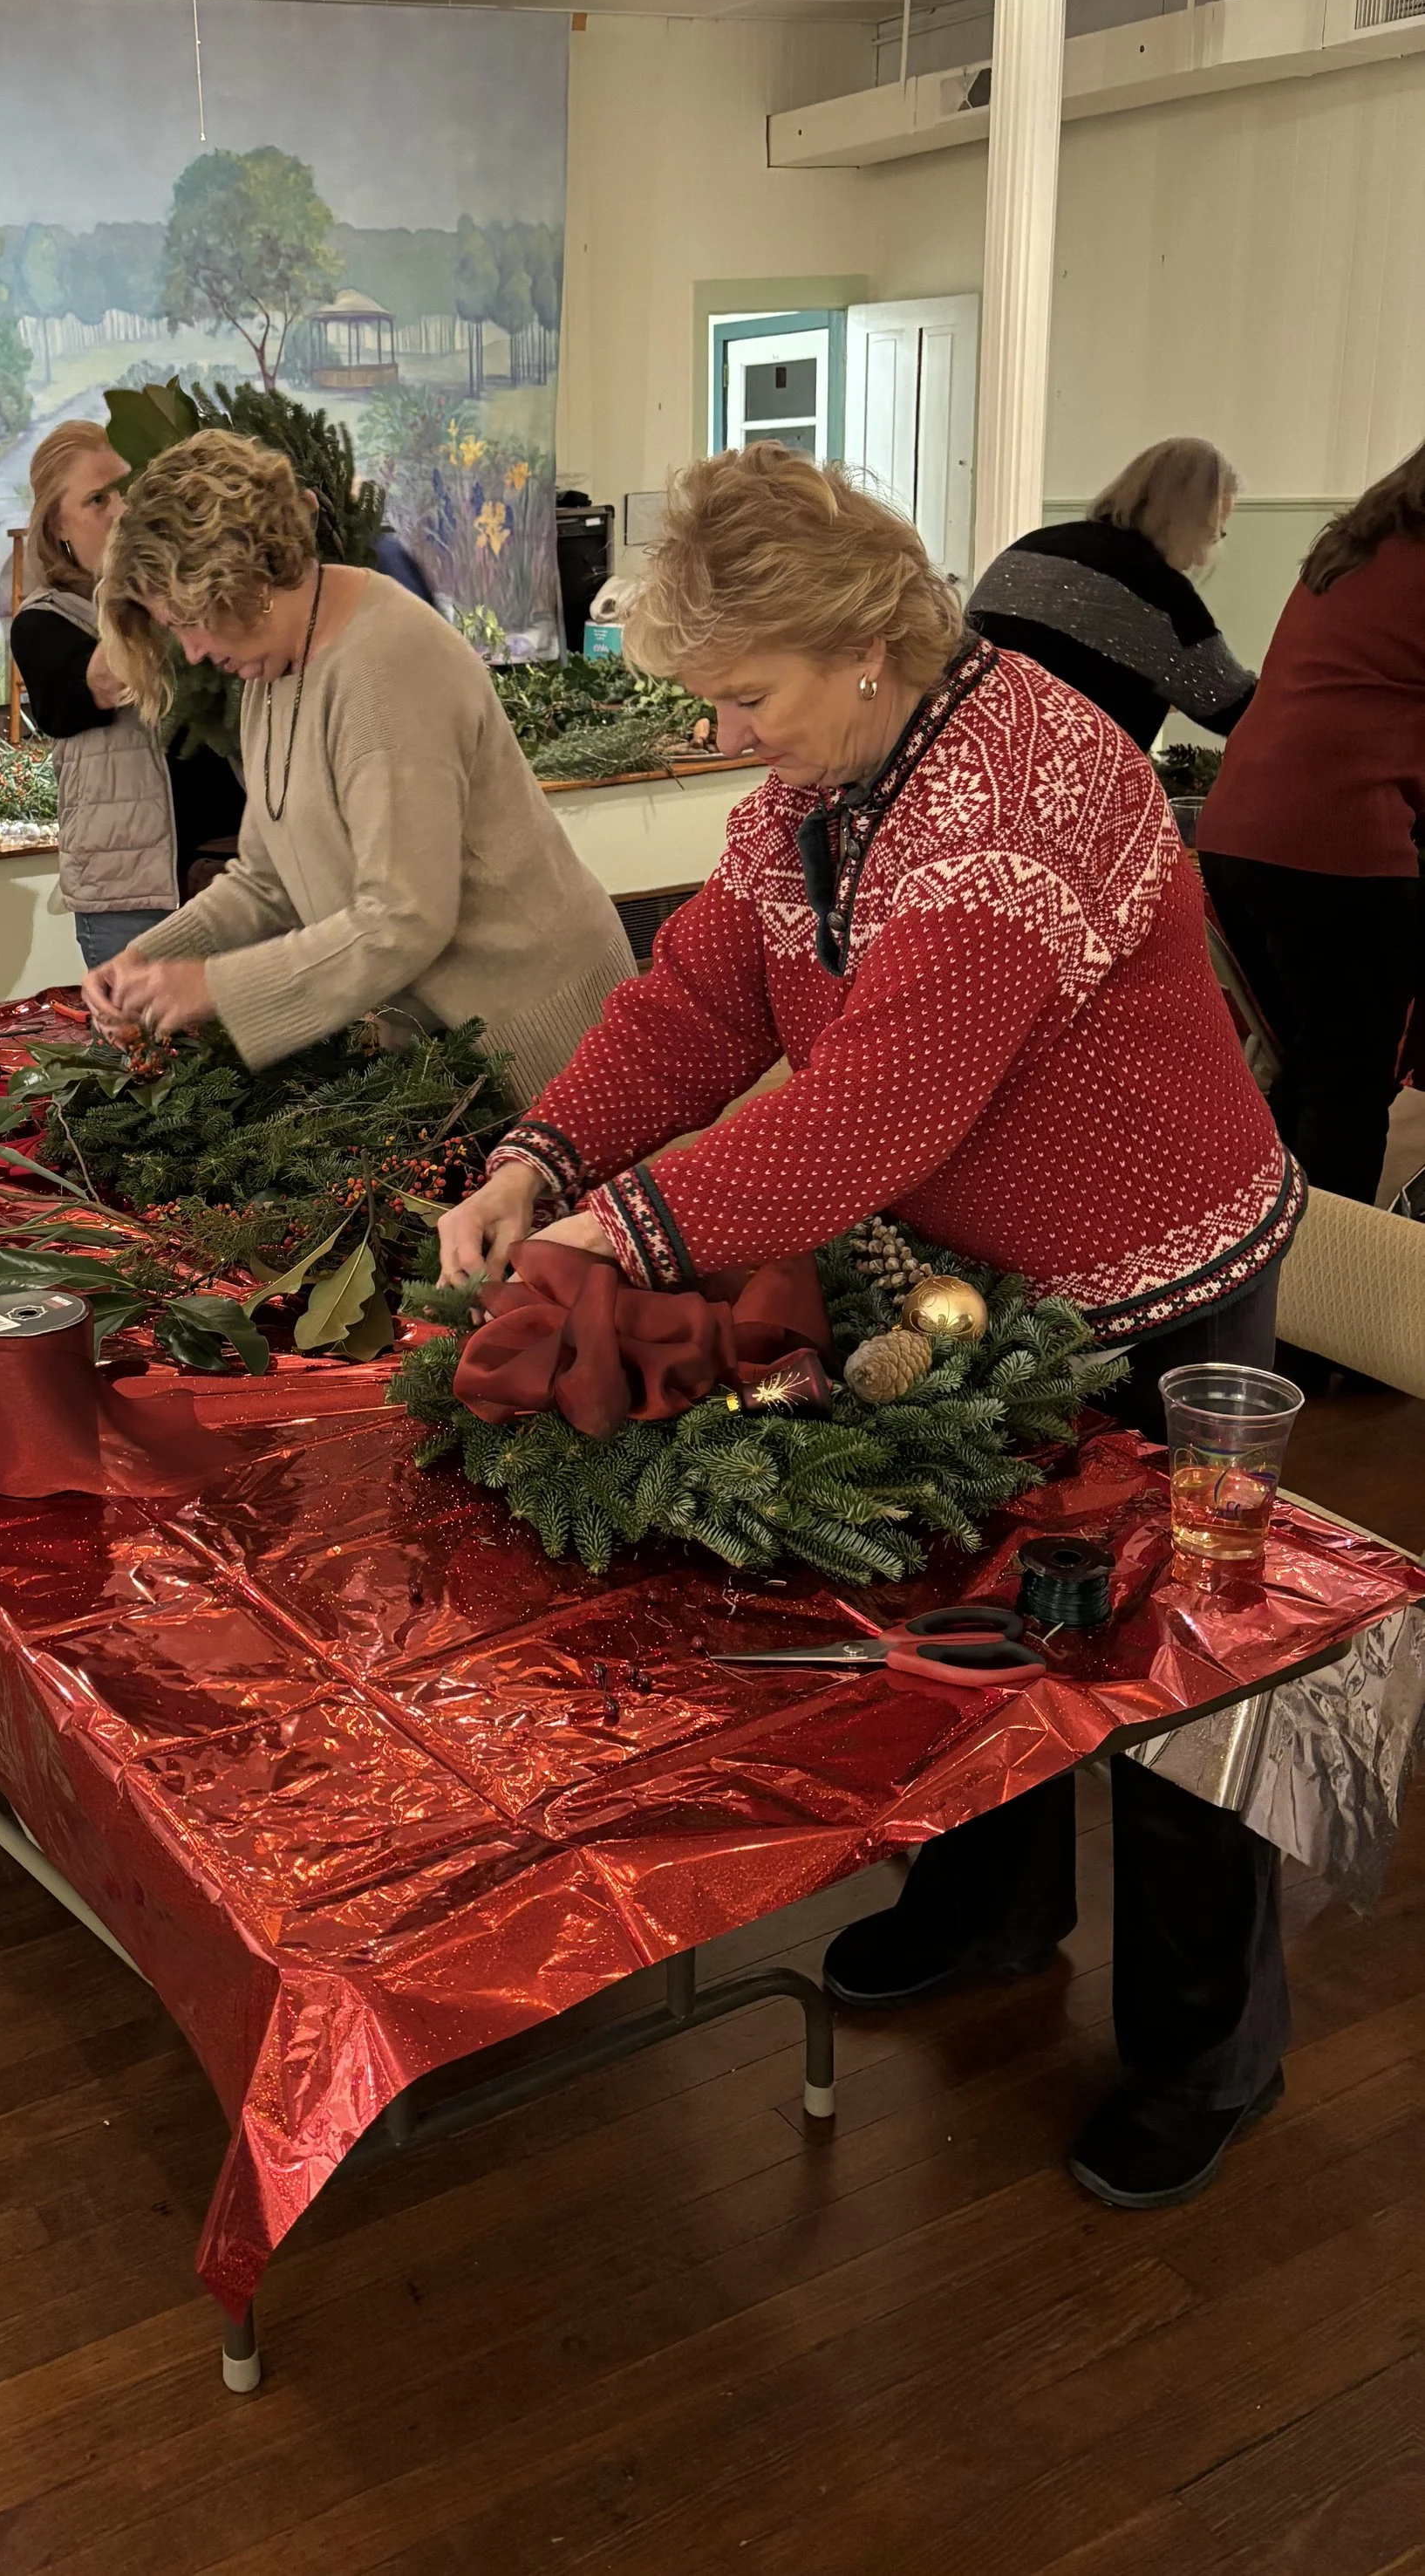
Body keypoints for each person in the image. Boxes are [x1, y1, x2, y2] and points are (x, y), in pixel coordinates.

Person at [440, 443, 1303, 2213]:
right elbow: (701, 999)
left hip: (1161, 1275)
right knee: (976, 1595)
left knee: (1170, 1677)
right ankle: (991, 1904)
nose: (729, 729)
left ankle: (1203, 2050)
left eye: (740, 693)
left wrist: (624, 1228)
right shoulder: (823, 780)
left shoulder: (1018, 788)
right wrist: (543, 1150)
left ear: (853, 646)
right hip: (985, 1287)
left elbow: (873, 1103)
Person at [80, 428, 631, 1098]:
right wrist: (151, 958)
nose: (191, 651)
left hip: (541, 1032)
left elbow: (404, 917)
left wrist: (215, 986)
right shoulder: (273, 666)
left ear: (247, 582)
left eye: (189, 621)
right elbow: (266, 878)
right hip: (447, 1044)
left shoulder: (386, 667)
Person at [1196, 438, 1425, 1205]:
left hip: (1240, 833)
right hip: (1339, 847)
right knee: (1350, 1089)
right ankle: (1326, 1309)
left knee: (1311, 1071)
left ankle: (1269, 1281)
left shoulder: (1359, 548)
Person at [9, 420, 242, 968]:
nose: (120, 512)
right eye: (97, 500)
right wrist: (156, 585)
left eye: (130, 493)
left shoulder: (199, 594)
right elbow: (103, 680)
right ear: (57, 525)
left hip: (238, 867)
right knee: (144, 1051)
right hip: (131, 895)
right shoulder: (44, 623)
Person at [965, 435, 1256, 749]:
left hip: (966, 766)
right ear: (1184, 522)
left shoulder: (1028, 548)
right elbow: (1241, 712)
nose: (1201, 557)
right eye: (1211, 534)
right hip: (1072, 785)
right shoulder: (1162, 596)